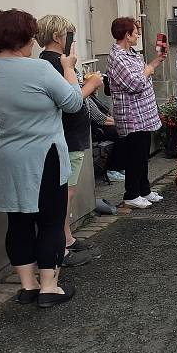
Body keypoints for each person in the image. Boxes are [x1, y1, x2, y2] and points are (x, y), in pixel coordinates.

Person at [0, 9, 91, 307]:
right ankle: (49, 287)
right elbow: (74, 102)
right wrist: (71, 69)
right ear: (26, 37)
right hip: (42, 155)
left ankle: (27, 285)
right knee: (50, 221)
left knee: (18, 221)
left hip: (0, 157)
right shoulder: (38, 70)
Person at [36, 14, 105, 267]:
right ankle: (62, 243)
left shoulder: (51, 62)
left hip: (70, 134)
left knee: (67, 190)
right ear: (57, 37)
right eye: (69, 35)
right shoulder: (55, 63)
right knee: (66, 191)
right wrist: (92, 84)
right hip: (68, 135)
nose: (71, 41)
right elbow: (70, 101)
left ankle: (67, 238)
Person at [106, 17, 166, 209]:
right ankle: (131, 193)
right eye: (135, 32)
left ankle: (144, 189)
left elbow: (143, 76)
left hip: (144, 112)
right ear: (127, 34)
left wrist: (154, 63)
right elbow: (136, 83)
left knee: (143, 154)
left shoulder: (131, 53)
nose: (138, 35)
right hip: (132, 114)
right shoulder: (117, 57)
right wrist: (149, 68)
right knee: (135, 156)